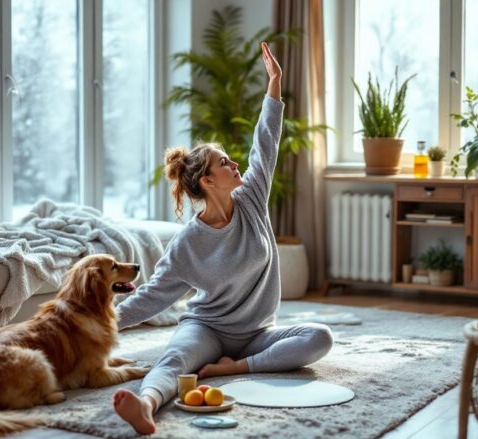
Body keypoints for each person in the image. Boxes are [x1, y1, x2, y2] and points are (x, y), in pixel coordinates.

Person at [111, 42, 333, 435]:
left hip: (258, 334)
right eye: (224, 162)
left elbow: (265, 145)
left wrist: (275, 83)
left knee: (318, 338)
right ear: (208, 181)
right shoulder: (189, 243)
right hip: (207, 330)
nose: (235, 164)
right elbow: (153, 296)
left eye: (231, 158)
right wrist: (100, 324)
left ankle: (235, 370)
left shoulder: (251, 200)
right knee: (176, 360)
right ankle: (145, 406)